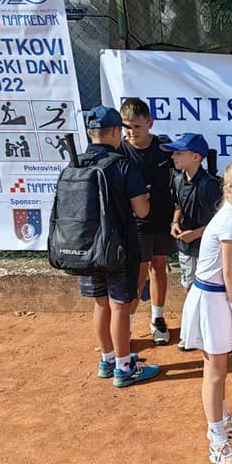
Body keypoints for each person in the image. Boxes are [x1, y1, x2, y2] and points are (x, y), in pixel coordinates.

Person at [178, 161, 232, 464]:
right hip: (213, 299)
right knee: (215, 372)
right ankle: (217, 439)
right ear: (228, 191)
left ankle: (223, 419)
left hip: (222, 297)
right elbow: (230, 273)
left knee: (220, 368)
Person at [78, 106, 158, 387]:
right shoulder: (122, 165)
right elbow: (142, 211)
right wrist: (144, 199)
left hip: (87, 248)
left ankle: (107, 359)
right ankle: (124, 368)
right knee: (119, 306)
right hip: (118, 248)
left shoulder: (76, 163)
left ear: (91, 132)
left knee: (101, 303)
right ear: (114, 131)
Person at [119, 97, 176, 345]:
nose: (131, 132)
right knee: (137, 275)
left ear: (150, 123)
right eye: (127, 127)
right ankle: (127, 326)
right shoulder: (120, 151)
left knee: (159, 268)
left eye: (137, 126)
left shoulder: (164, 147)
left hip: (161, 220)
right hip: (135, 224)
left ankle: (157, 319)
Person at [165, 133, 223, 293]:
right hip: (186, 246)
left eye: (178, 153)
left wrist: (195, 234)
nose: (173, 157)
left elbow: (220, 221)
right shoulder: (177, 179)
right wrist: (175, 222)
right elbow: (178, 204)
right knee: (188, 286)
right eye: (174, 153)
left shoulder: (209, 185)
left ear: (196, 157)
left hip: (207, 247)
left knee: (207, 288)